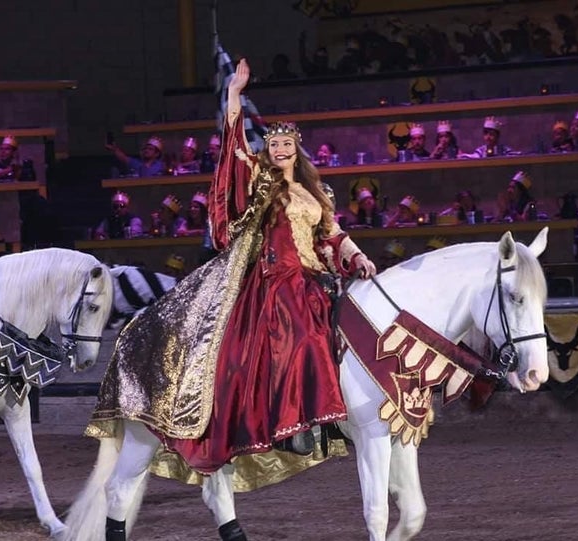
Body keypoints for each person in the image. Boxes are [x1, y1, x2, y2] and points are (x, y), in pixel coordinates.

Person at [88, 57, 376, 483]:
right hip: (277, 279)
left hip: (316, 276)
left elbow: (331, 233)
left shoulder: (318, 191)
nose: (278, 151)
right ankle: (294, 424)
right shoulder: (261, 183)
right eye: (273, 146)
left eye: (286, 146)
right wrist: (234, 95)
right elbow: (235, 152)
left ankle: (347, 415)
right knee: (300, 333)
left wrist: (357, 257)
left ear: (297, 151)